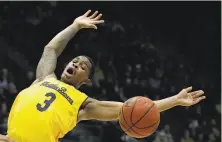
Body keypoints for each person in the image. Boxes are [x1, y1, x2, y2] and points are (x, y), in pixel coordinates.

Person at [0, 10, 205, 142]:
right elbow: (51, 49)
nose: (75, 63)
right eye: (75, 61)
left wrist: (175, 100)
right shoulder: (44, 78)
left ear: (85, 81)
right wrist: (75, 26)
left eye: (82, 66)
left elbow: (131, 109)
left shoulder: (82, 104)